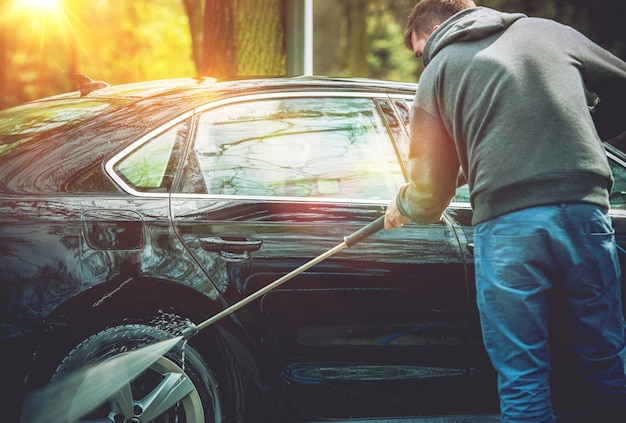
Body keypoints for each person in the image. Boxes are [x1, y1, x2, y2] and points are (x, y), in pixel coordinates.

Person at [384, 0, 626, 422]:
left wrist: (402, 204)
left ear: (437, 27)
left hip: (509, 230)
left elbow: (429, 196)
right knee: (607, 360)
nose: (425, 57)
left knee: (523, 378)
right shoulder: (547, 32)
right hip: (585, 214)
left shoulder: (437, 73)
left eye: (421, 49)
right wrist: (584, 129)